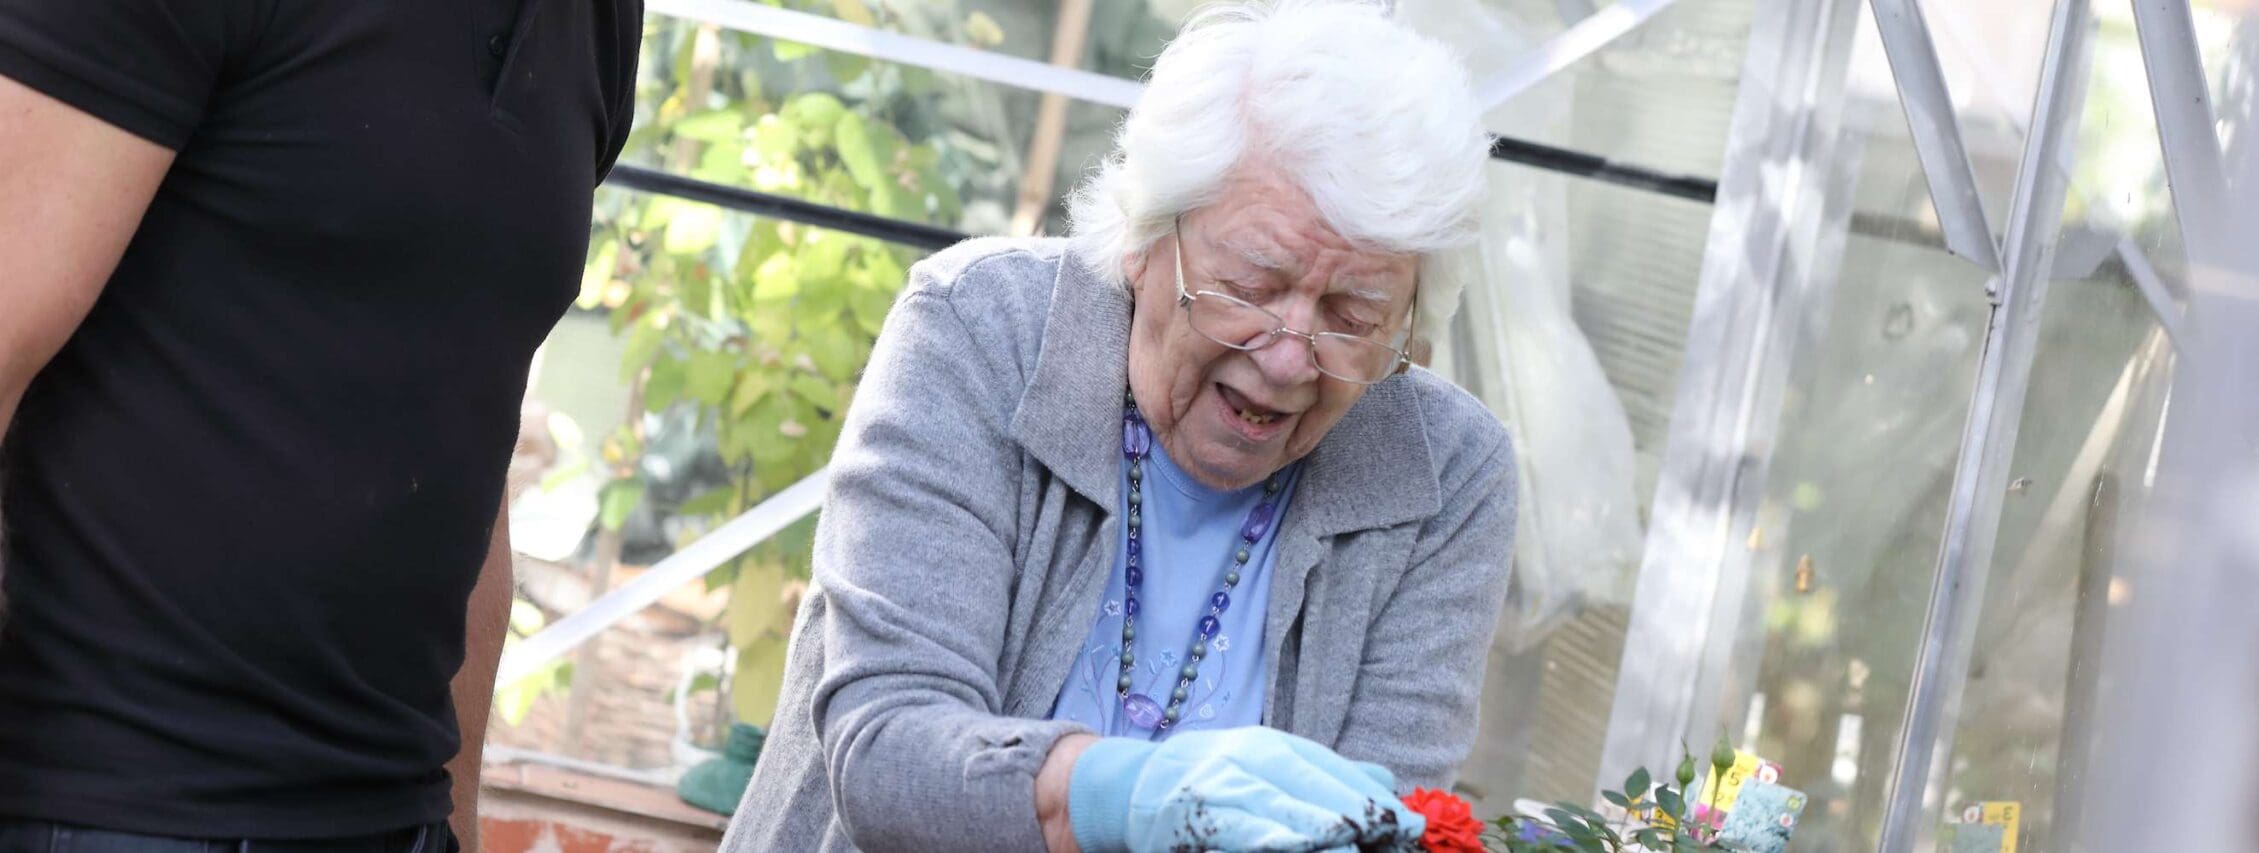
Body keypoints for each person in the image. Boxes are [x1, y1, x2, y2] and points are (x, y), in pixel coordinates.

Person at [721, 1, 1517, 850]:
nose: (1289, 360)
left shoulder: (1447, 475)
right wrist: (1108, 798)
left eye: (1354, 315)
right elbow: (888, 754)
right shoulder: (983, 330)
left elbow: (1389, 821)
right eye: (1249, 286)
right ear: (1144, 237)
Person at [0, 1, 640, 849]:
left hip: (394, 817)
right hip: (113, 810)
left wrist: (457, 821)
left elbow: (458, 435)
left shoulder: (595, 21)